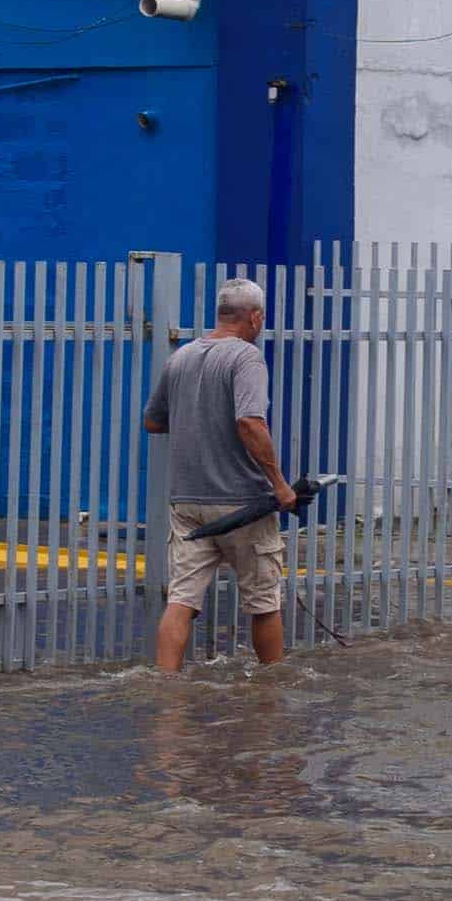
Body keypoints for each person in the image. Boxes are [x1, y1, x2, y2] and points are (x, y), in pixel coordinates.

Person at [148, 275, 297, 673]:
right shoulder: (246, 357)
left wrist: (197, 419)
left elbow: (153, 422)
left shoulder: (180, 357)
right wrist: (280, 486)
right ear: (255, 317)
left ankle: (166, 687)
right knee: (264, 603)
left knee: (181, 600)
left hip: (188, 503)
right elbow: (250, 422)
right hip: (241, 503)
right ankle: (272, 688)